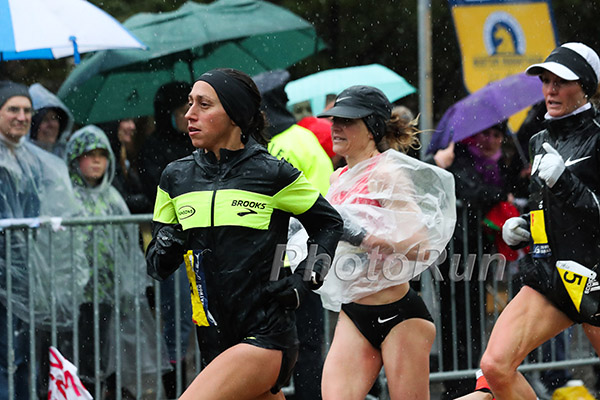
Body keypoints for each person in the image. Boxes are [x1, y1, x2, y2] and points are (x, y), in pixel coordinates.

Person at [145, 68, 344, 400]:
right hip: (212, 339)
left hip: (266, 337)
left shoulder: (272, 173)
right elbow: (157, 267)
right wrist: (167, 244)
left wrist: (305, 280)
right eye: (189, 104)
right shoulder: (174, 178)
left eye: (204, 105)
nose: (190, 114)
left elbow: (329, 224)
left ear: (235, 115)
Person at [311, 85, 455, 399]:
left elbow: (421, 244)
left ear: (373, 128)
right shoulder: (338, 177)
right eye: (333, 119)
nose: (336, 127)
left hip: (399, 315)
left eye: (347, 121)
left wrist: (370, 238)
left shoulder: (387, 174)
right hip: (354, 312)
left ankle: (486, 394)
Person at [480, 42, 600, 399]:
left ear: (586, 86)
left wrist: (565, 182)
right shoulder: (538, 140)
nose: (550, 90)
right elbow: (548, 210)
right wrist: (525, 228)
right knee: (495, 366)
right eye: (546, 80)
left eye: (561, 81)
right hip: (551, 278)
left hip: (595, 277)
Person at [65, 125, 167, 399]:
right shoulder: (67, 197)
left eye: (102, 154)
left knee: (105, 352)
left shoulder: (112, 197)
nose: (97, 160)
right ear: (75, 159)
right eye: (89, 154)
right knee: (80, 355)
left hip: (109, 294)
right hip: (78, 296)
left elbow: (126, 243)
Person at [0, 81, 85, 400]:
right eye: (13, 110)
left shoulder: (33, 159)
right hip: (6, 274)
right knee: (7, 358)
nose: (21, 117)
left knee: (22, 357)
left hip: (23, 276)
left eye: (26, 111)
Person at [253, 69, 334, 400]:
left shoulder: (255, 146)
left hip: (264, 260)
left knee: (263, 345)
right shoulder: (304, 139)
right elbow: (328, 198)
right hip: (304, 260)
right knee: (309, 344)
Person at [137, 81, 195, 396]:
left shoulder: (197, 143)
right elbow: (157, 193)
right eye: (181, 110)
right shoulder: (154, 148)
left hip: (200, 246)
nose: (188, 116)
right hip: (171, 247)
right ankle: (173, 387)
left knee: (198, 321)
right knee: (177, 321)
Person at [98, 118, 152, 214]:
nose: (132, 126)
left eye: (132, 121)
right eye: (126, 120)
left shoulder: (121, 155)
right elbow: (121, 200)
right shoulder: (106, 158)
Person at [27, 83, 73, 158]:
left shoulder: (66, 157)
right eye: (44, 119)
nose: (51, 124)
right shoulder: (20, 158)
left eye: (54, 118)